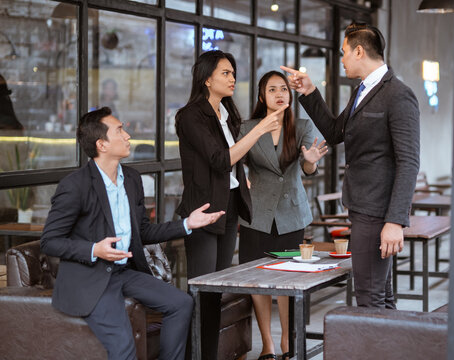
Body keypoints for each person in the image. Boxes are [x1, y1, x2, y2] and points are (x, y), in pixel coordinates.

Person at [41, 107, 225, 360]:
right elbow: (50, 241)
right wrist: (94, 249)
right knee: (124, 347)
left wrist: (187, 224)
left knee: (181, 303)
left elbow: (144, 232)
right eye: (120, 130)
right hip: (90, 278)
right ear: (101, 144)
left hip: (124, 272)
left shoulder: (131, 178)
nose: (128, 136)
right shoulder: (75, 186)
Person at [281, 22, 420, 309]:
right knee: (380, 296)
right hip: (362, 206)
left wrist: (395, 221)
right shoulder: (362, 91)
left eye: (343, 52)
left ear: (359, 51)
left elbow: (409, 162)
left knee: (369, 298)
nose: (341, 59)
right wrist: (309, 92)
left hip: (377, 210)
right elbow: (334, 133)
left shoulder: (398, 94)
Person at [175, 50, 286, 360]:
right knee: (202, 293)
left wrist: (242, 178)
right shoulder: (191, 115)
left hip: (229, 207)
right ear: (207, 78)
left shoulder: (227, 114)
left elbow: (236, 161)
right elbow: (220, 160)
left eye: (233, 72)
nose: (232, 77)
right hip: (203, 213)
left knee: (215, 292)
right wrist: (260, 129)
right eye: (225, 73)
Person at [238, 71, 327, 360]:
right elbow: (234, 160)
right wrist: (242, 180)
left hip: (291, 213)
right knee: (257, 279)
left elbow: (307, 166)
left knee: (288, 280)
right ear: (262, 96)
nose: (280, 94)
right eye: (272, 89)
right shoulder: (248, 127)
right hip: (256, 214)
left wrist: (311, 163)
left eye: (284, 90)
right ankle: (267, 344)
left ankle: (288, 342)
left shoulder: (302, 125)